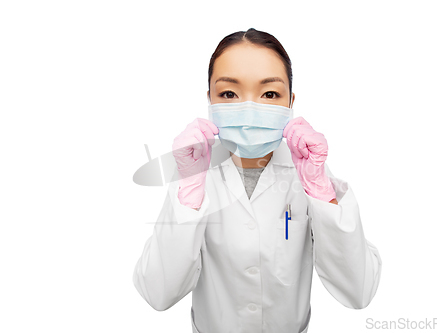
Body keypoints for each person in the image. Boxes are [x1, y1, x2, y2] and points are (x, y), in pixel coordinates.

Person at [133, 28, 382, 333]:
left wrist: (320, 191)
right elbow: (157, 294)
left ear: (290, 101)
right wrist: (189, 192)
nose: (249, 109)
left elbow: (359, 290)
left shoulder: (308, 174)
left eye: (269, 94)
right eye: (229, 94)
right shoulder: (195, 175)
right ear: (209, 100)